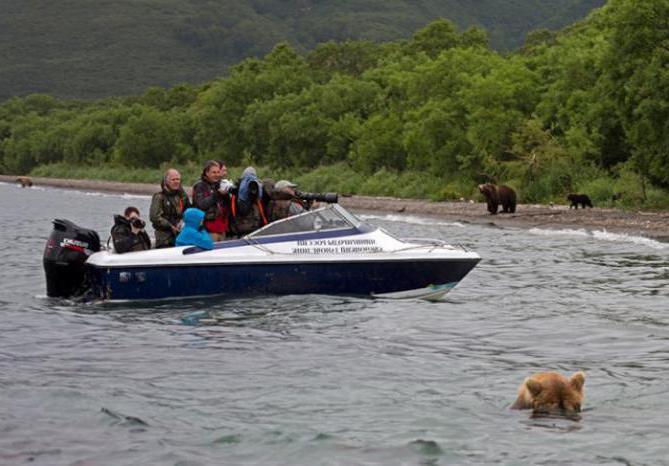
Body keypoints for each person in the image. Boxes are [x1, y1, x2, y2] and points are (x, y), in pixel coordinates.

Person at [149, 168, 191, 248]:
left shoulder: (182, 196)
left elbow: (189, 211)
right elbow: (154, 217)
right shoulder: (159, 197)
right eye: (173, 179)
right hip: (164, 238)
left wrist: (182, 221)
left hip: (180, 235)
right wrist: (170, 226)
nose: (176, 181)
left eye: (178, 179)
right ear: (166, 181)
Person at [192, 160, 233, 242]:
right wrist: (217, 194)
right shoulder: (200, 186)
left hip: (222, 228)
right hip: (207, 229)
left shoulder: (219, 184)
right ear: (207, 173)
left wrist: (226, 195)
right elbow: (201, 204)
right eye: (214, 172)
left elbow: (228, 207)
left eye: (218, 172)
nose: (217, 175)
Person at [230, 166, 268, 237]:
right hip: (247, 227)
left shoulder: (237, 189)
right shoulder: (237, 191)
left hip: (246, 226)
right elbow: (243, 209)